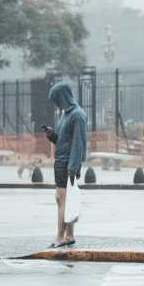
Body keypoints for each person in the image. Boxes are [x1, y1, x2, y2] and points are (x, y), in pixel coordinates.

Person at [44, 82, 87, 248]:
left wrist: (73, 168)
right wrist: (53, 136)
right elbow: (64, 141)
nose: (56, 103)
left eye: (56, 99)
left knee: (62, 200)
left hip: (68, 164)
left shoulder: (77, 115)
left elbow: (78, 144)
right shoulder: (66, 115)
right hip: (62, 161)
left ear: (63, 96)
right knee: (66, 201)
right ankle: (69, 235)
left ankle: (60, 237)